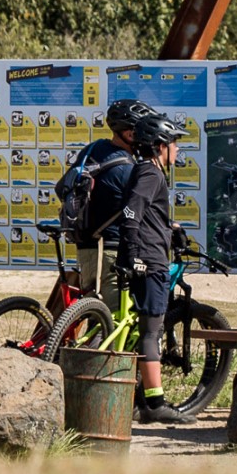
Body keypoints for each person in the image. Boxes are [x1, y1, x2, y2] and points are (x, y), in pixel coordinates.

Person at [116, 112, 197, 425]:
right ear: (160, 146)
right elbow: (132, 211)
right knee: (152, 331)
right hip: (150, 260)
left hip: (148, 253)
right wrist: (135, 251)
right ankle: (155, 404)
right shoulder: (152, 174)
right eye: (174, 143)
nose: (177, 150)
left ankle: (140, 397)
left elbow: (144, 211)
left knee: (145, 328)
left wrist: (170, 226)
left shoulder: (144, 171)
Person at [62, 98, 154, 314]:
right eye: (143, 133)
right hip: (110, 252)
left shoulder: (93, 149)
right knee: (111, 321)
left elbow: (64, 186)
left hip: (86, 249)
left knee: (98, 319)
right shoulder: (128, 169)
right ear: (130, 134)